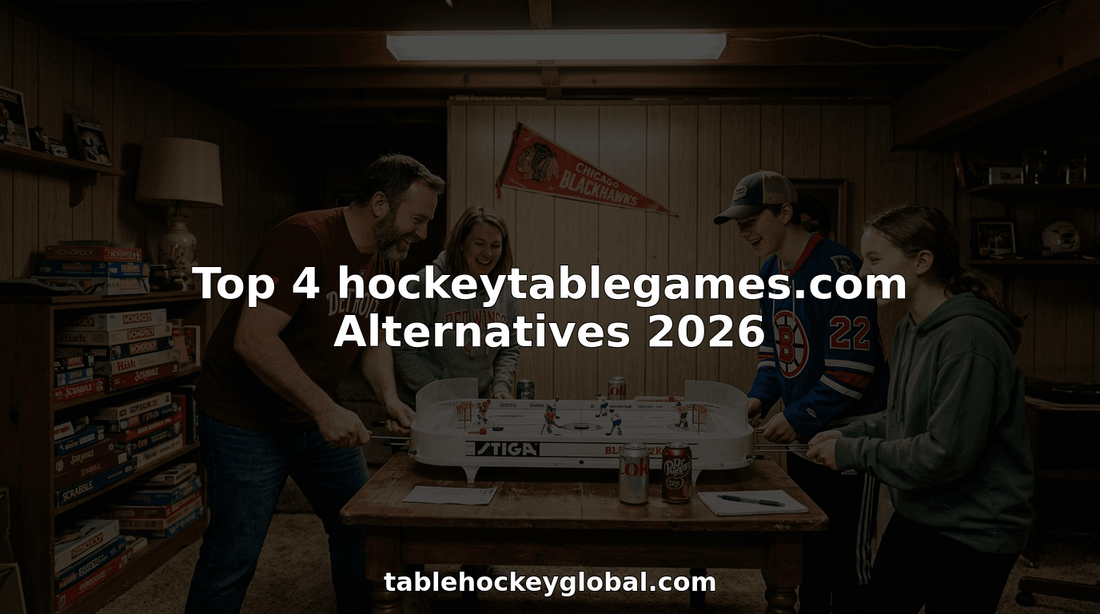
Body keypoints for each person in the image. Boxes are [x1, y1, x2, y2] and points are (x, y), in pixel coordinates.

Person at [185, 154, 445, 614]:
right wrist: (325, 409)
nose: (422, 234)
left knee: (361, 528)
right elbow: (253, 339)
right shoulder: (303, 239)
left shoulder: (386, 261)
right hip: (244, 421)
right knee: (233, 556)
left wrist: (387, 398)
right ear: (380, 204)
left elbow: (373, 340)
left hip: (309, 416)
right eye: (418, 220)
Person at [807, 204, 1034, 614]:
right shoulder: (910, 325)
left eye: (874, 261)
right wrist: (850, 433)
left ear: (922, 262)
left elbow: (942, 454)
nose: (862, 275)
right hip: (922, 512)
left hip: (975, 529)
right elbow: (902, 416)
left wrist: (852, 454)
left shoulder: (969, 338)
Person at [713, 170, 889, 614]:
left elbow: (853, 373)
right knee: (807, 548)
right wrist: (757, 399)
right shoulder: (770, 270)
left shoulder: (837, 267)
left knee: (847, 557)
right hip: (804, 436)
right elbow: (774, 351)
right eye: (739, 222)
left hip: (851, 434)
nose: (745, 230)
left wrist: (796, 417)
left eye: (753, 219)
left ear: (786, 212)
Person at [392, 206, 521, 408]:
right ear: (461, 243)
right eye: (479, 243)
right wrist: (439, 396)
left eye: (496, 245)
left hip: (478, 404)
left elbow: (509, 348)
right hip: (425, 404)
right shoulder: (426, 284)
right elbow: (402, 346)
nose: (487, 253)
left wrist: (501, 387)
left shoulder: (508, 291)